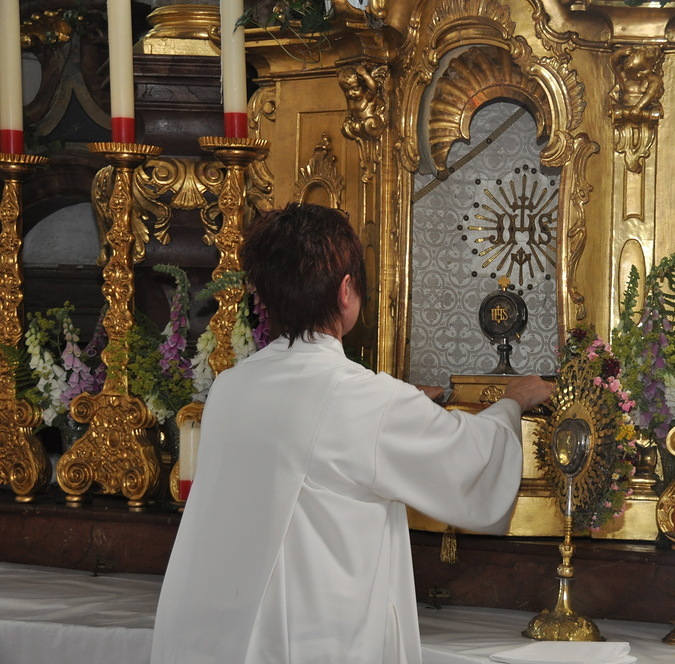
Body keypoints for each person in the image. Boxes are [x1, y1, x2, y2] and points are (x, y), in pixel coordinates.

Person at [150, 203, 553, 663]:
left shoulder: (230, 387)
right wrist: (512, 402)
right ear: (346, 290)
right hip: (313, 640)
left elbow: (306, 446)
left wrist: (400, 405)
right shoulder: (363, 399)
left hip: (220, 636)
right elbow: (472, 460)